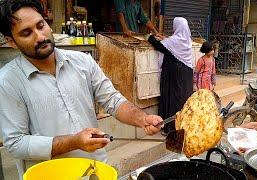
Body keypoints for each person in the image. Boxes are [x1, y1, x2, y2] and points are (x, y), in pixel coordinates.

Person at [0, 0, 163, 177]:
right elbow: (16, 143)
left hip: (95, 170)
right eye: (26, 33)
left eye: (41, 25)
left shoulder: (82, 61)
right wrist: (74, 142)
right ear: (11, 42)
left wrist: (142, 118)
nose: (40, 36)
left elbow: (112, 100)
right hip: (50, 175)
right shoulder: (8, 81)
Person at [147, 17, 193, 134]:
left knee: (173, 100)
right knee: (183, 100)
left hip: (174, 75)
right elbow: (170, 45)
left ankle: (171, 129)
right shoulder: (186, 40)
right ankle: (183, 126)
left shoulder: (174, 41)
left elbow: (160, 46)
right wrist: (166, 39)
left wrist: (150, 38)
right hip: (186, 74)